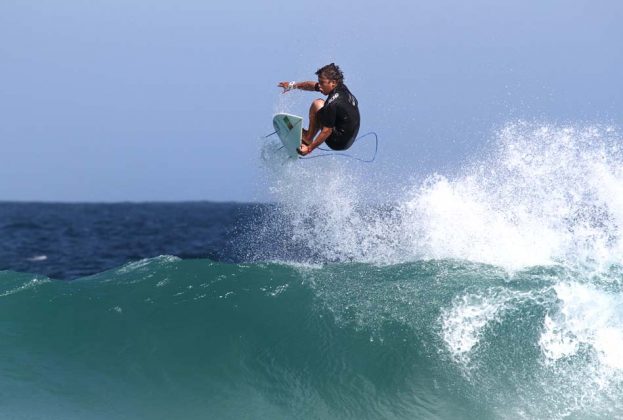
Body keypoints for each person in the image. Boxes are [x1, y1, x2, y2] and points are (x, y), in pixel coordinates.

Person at [278, 63, 360, 156]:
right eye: (319, 82)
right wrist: (292, 85)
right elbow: (312, 86)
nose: (319, 86)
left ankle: (308, 138)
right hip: (349, 139)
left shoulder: (333, 103)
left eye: (322, 83)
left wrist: (309, 149)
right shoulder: (341, 88)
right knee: (324, 106)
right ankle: (308, 136)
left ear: (333, 82)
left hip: (337, 142)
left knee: (317, 104)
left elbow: (327, 131)